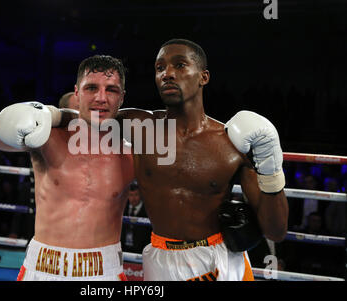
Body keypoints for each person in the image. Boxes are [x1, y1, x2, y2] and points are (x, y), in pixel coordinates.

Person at [0, 15, 134, 281]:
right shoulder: (48, 137)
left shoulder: (133, 154)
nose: (101, 97)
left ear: (122, 97)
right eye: (92, 88)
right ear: (77, 92)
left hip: (103, 270)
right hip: (42, 266)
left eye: (111, 90)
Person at [116, 39, 289, 281]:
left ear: (203, 77)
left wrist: (271, 169)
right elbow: (81, 120)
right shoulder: (139, 128)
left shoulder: (230, 144)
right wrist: (52, 114)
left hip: (218, 260)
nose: (167, 74)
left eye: (179, 65)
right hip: (161, 258)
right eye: (159, 68)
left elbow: (276, 231)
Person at [121, 181, 151, 254]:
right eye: (131, 195)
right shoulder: (122, 208)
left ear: (141, 195)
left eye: (136, 195)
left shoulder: (148, 211)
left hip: (141, 251)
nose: (133, 198)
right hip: (124, 249)